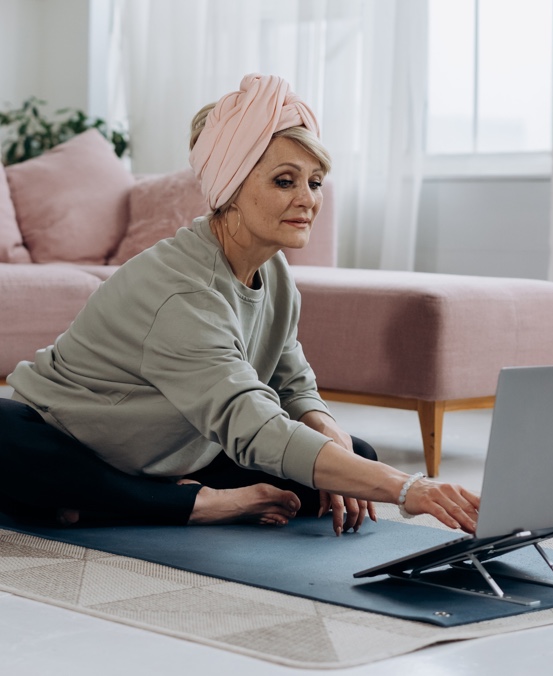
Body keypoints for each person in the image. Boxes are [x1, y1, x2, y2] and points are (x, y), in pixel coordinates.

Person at [0, 74, 479, 536]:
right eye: (284, 181)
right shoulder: (180, 291)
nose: (308, 199)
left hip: (179, 452)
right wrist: (409, 487)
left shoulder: (273, 274)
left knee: (357, 456)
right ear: (228, 189)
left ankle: (110, 503)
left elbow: (291, 385)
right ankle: (194, 504)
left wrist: (337, 445)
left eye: (314, 182)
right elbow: (250, 421)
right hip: (68, 441)